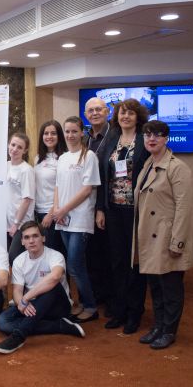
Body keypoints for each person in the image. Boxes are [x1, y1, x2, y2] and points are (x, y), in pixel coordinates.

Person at [134, 121, 193, 349]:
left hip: (167, 237)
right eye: (148, 134)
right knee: (156, 287)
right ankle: (158, 326)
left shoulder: (177, 167)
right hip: (149, 237)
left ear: (166, 138)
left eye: (158, 135)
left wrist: (177, 242)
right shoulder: (148, 164)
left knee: (171, 288)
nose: (152, 139)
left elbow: (184, 208)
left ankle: (169, 330)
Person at [96, 99, 150, 334]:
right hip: (113, 210)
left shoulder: (144, 141)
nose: (125, 116)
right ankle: (119, 310)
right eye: (121, 113)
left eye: (130, 113)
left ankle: (134, 312)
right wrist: (100, 208)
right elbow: (103, 177)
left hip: (137, 211)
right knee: (116, 261)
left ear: (138, 117)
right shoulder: (112, 140)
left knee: (134, 263)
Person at [0, 221, 85, 354]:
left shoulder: (55, 256)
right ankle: (60, 326)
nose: (31, 241)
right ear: (22, 242)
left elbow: (55, 277)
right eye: (27, 237)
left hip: (57, 306)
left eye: (35, 236)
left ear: (43, 238)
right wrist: (22, 302)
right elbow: (17, 291)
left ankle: (19, 335)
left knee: (52, 284)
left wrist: (26, 297)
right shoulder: (19, 261)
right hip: (32, 306)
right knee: (3, 321)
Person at [53, 116, 101, 322]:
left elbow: (87, 190)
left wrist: (63, 210)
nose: (70, 135)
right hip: (63, 219)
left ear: (82, 132)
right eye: (67, 131)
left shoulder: (89, 156)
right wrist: (57, 211)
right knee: (73, 265)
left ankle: (91, 306)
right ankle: (81, 302)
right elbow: (57, 186)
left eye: (74, 131)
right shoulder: (62, 158)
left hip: (80, 218)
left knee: (75, 264)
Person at [83, 97, 113, 311]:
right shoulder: (84, 138)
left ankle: (112, 298)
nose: (94, 113)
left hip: (108, 204)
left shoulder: (115, 136)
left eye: (98, 109)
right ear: (86, 115)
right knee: (91, 254)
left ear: (107, 111)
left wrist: (101, 208)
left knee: (108, 253)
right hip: (86, 205)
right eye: (90, 110)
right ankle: (98, 295)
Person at [34, 120, 66, 255]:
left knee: (54, 254)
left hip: (53, 214)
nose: (49, 136)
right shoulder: (37, 158)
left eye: (53, 133)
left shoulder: (63, 158)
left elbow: (63, 190)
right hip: (38, 213)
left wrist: (51, 214)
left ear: (59, 136)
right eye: (46, 133)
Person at [7, 132, 36, 263]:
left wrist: (16, 224)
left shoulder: (26, 170)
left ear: (25, 150)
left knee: (14, 257)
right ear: (8, 145)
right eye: (13, 145)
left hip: (21, 224)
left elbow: (27, 199)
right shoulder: (5, 166)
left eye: (19, 147)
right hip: (6, 223)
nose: (15, 149)